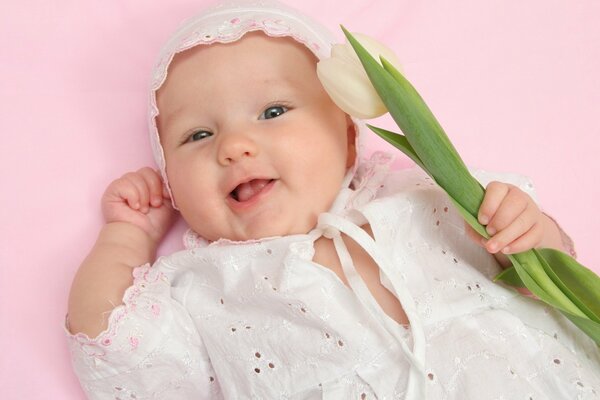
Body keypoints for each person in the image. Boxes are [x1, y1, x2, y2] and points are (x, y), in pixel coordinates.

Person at [65, 1, 599, 398]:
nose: (234, 146)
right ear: (172, 184)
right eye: (197, 136)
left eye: (273, 111)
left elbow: (547, 276)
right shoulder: (203, 286)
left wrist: (527, 231)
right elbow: (114, 357)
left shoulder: (425, 199)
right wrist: (128, 236)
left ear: (348, 135)